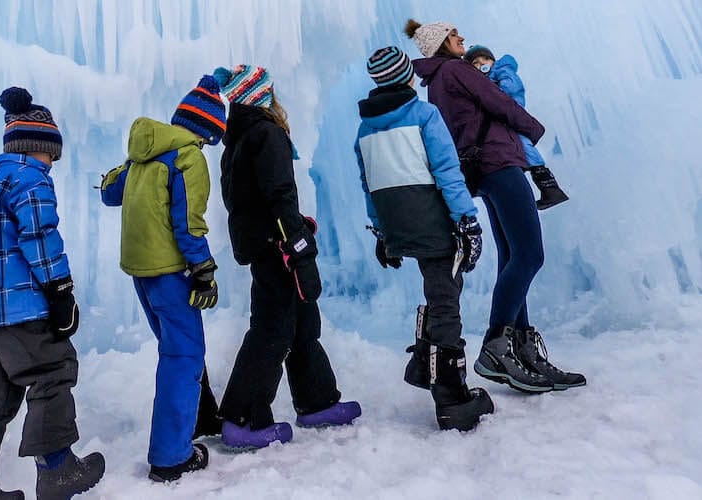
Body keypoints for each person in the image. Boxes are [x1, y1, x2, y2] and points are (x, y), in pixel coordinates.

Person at [405, 22, 586, 393]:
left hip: (480, 168)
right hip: (498, 163)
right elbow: (498, 101)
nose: (462, 39)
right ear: (441, 43)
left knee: (511, 255)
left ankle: (520, 350)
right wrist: (533, 128)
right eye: (455, 35)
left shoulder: (437, 80)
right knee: (530, 254)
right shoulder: (457, 69)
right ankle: (497, 345)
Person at [0, 87, 105, 500]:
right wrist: (60, 289)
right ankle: (58, 470)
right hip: (20, 305)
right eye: (53, 154)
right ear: (38, 147)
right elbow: (39, 233)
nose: (53, 164)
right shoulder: (30, 178)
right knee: (52, 370)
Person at [213, 64, 361, 449]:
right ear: (261, 96)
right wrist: (298, 246)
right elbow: (280, 194)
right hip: (276, 246)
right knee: (272, 328)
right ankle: (242, 419)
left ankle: (316, 401)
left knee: (302, 323)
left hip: (262, 243)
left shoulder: (238, 140)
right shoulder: (266, 134)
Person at [354, 47, 495, 431]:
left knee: (439, 290)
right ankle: (451, 397)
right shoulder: (424, 115)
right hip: (434, 222)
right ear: (406, 77)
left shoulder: (365, 129)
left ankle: (424, 365)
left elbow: (369, 187)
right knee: (446, 299)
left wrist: (381, 232)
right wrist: (467, 220)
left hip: (399, 226)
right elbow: (447, 170)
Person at [99, 75, 228, 483]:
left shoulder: (144, 155)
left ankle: (199, 418)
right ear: (206, 132)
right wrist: (203, 269)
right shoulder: (187, 158)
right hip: (172, 272)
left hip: (141, 274)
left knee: (178, 348)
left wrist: (127, 170)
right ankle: (171, 457)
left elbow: (109, 191)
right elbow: (189, 221)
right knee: (183, 355)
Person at [464, 45, 570, 210]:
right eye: (475, 63)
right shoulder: (489, 78)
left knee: (523, 146)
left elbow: (509, 91)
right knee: (519, 148)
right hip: (506, 120)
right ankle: (547, 188)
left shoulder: (503, 71)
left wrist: (493, 90)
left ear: (493, 60)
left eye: (485, 59)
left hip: (512, 118)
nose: (481, 64)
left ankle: (550, 187)